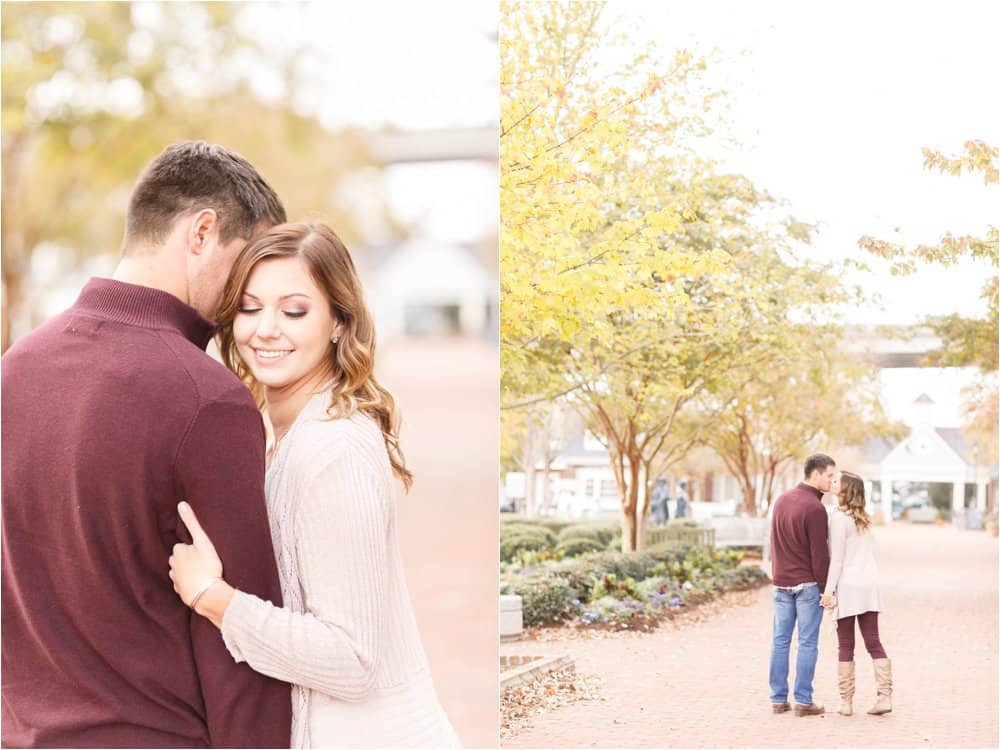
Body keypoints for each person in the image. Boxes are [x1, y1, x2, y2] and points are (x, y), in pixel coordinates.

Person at [1, 142, 292, 747]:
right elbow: (240, 650)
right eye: (246, 263)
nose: (247, 291)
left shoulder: (13, 370)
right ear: (202, 232)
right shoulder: (206, 398)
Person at [167, 222, 461, 749]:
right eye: (251, 308)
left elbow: (352, 659)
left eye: (294, 311)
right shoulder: (286, 434)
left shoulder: (334, 450)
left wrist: (215, 599)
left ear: (338, 324)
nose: (265, 329)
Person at [768, 453, 836, 717]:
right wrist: (826, 589)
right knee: (807, 643)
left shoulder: (782, 500)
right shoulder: (815, 509)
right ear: (815, 474)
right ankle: (804, 701)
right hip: (807, 585)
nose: (832, 481)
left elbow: (774, 542)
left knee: (780, 641)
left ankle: (777, 699)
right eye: (829, 476)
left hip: (781, 583)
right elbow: (820, 556)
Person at [821, 471, 892, 716]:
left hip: (849, 586)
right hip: (869, 585)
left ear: (845, 490)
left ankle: (846, 702)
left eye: (836, 481)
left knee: (845, 645)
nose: (832, 482)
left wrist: (828, 590)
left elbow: (837, 560)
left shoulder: (838, 518)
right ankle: (884, 697)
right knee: (874, 642)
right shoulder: (862, 518)